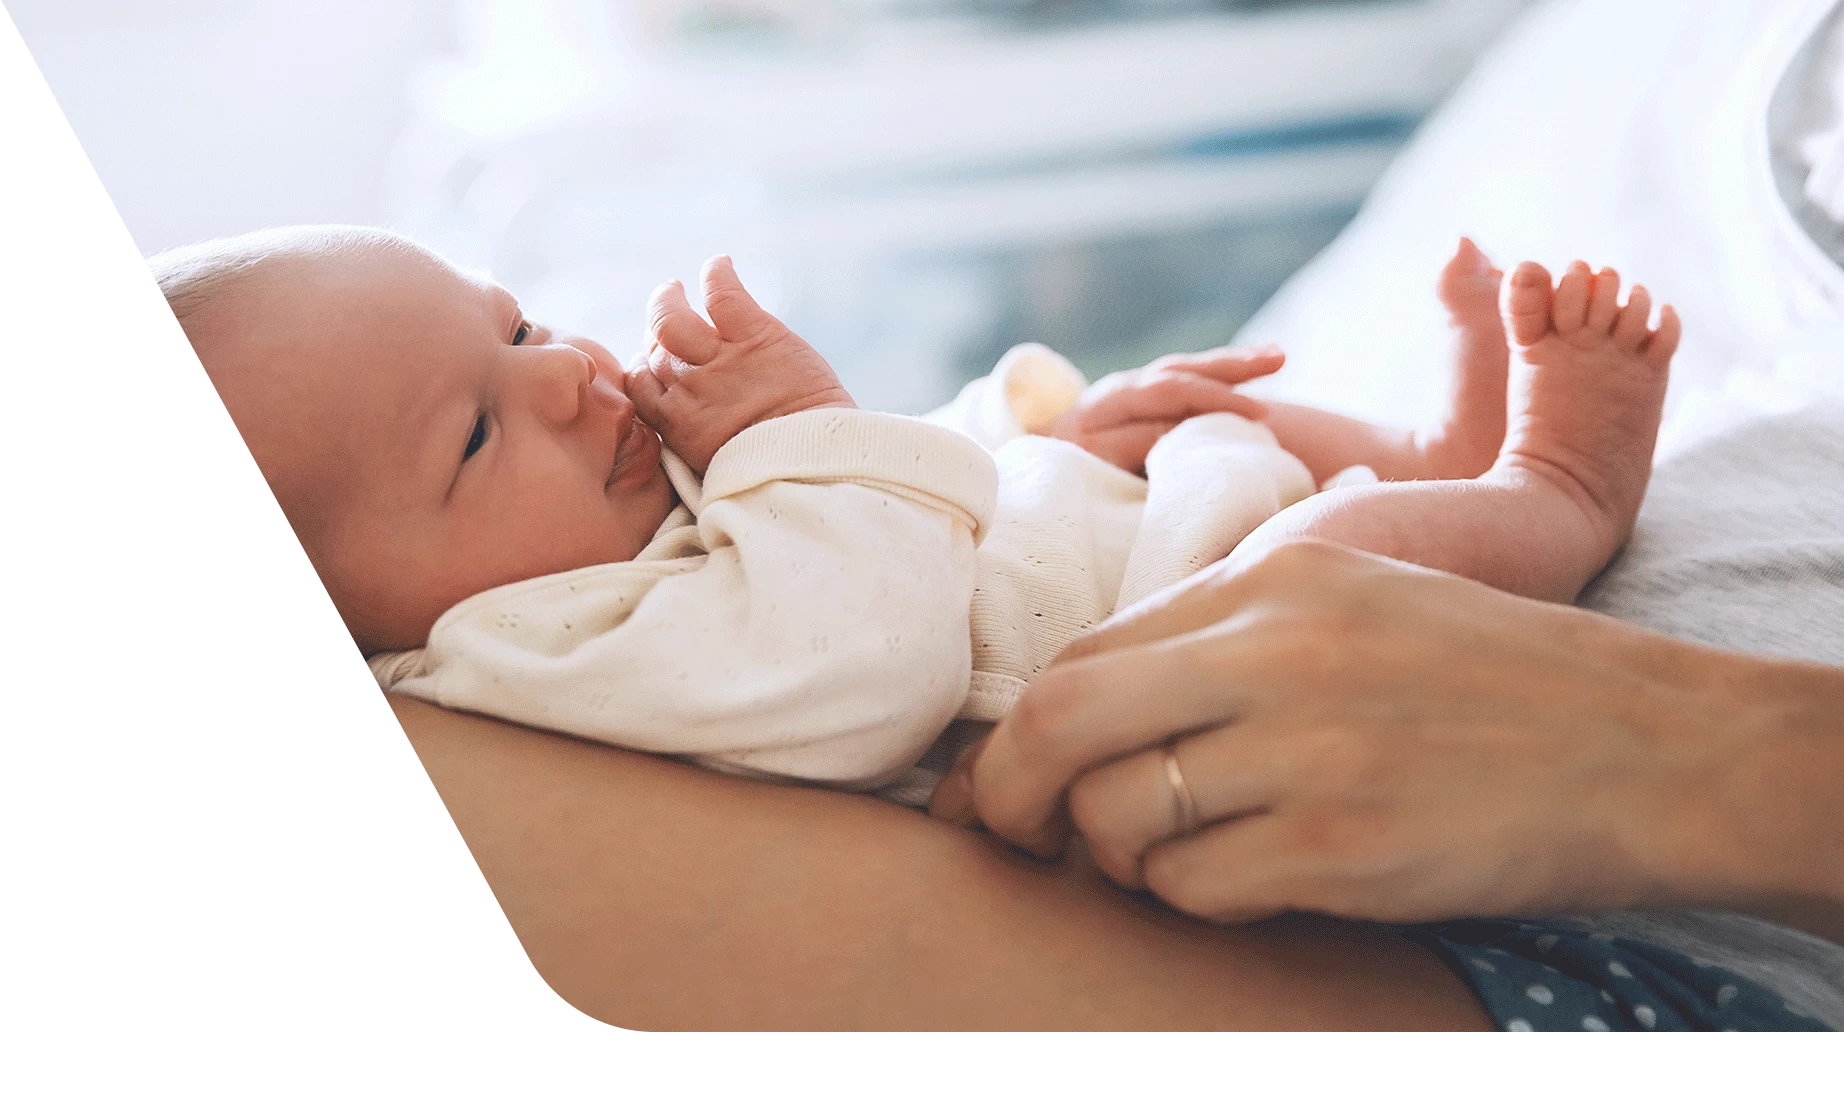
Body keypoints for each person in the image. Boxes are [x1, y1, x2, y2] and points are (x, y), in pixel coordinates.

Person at [158, 225, 1677, 806]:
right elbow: (860, 667)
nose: (563, 381)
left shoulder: (579, 535)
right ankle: (1551, 494)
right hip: (1167, 679)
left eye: (517, 325)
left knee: (1171, 415)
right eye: (479, 430)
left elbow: (901, 515)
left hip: (1095, 564)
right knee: (1314, 570)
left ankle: (1431, 448)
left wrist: (1058, 445)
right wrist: (791, 426)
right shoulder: (527, 660)